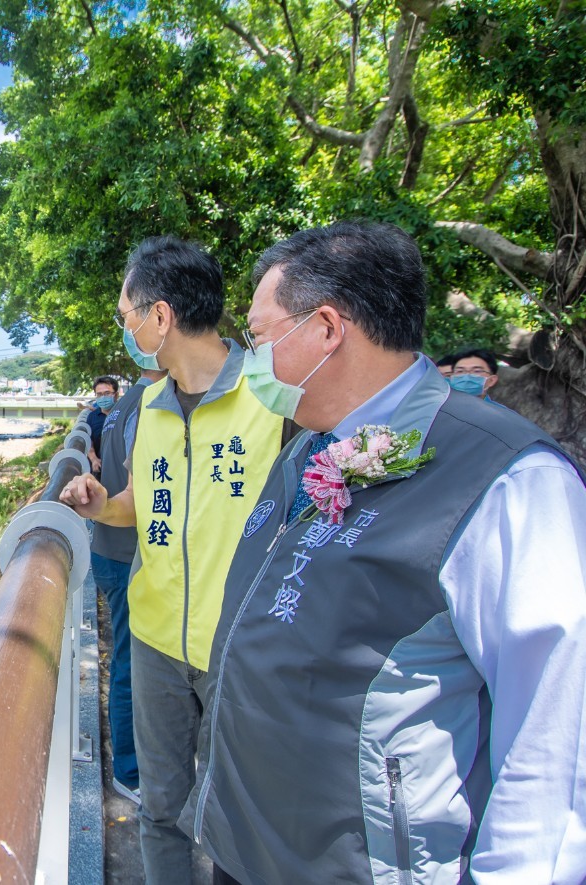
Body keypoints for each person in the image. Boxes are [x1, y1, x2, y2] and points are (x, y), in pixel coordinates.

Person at [179, 221, 586, 884]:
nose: (251, 358)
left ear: (328, 329)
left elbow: (557, 733)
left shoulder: (507, 479)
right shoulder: (305, 452)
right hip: (249, 848)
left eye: (258, 336)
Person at [59, 236, 286, 885]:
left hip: (239, 646)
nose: (125, 329)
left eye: (126, 314)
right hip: (157, 639)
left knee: (243, 816)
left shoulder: (278, 396)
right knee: (160, 811)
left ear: (160, 317)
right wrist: (101, 502)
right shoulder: (151, 405)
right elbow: (143, 501)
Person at [90, 366, 166, 803]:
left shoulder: (119, 407)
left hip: (111, 549)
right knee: (129, 665)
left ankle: (133, 767)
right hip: (126, 554)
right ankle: (130, 772)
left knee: (126, 660)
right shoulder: (149, 406)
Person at [84, 375, 120, 473]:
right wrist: (94, 459)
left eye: (107, 393)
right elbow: (88, 441)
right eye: (99, 394)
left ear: (116, 395)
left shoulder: (124, 414)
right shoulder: (92, 417)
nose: (103, 397)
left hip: (122, 469)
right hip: (101, 469)